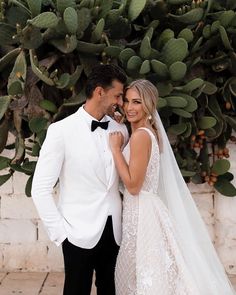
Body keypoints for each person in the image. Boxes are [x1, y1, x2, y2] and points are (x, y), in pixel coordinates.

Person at [109, 79, 236, 295]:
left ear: (148, 105)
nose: (129, 107)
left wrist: (115, 150)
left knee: (144, 275)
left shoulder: (141, 136)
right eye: (127, 101)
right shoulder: (147, 131)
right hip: (143, 210)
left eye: (137, 102)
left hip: (143, 214)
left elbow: (133, 185)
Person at [31, 64, 129, 295]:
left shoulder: (121, 130)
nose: (120, 102)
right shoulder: (60, 131)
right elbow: (40, 189)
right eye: (117, 95)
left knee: (112, 290)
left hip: (114, 229)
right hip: (75, 231)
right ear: (99, 92)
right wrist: (61, 235)